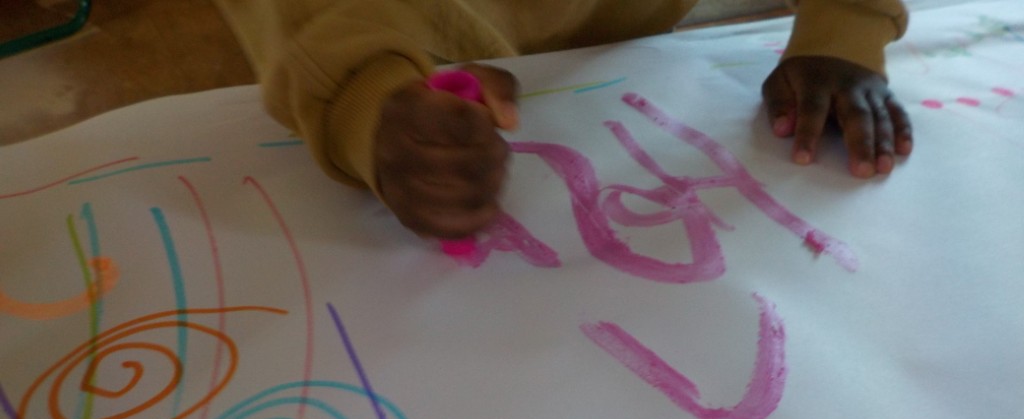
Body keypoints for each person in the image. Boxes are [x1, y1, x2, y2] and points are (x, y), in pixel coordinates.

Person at [212, 0, 912, 240]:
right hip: (386, 34)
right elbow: (310, 26)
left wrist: (845, 27)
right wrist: (367, 102)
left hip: (618, 50)